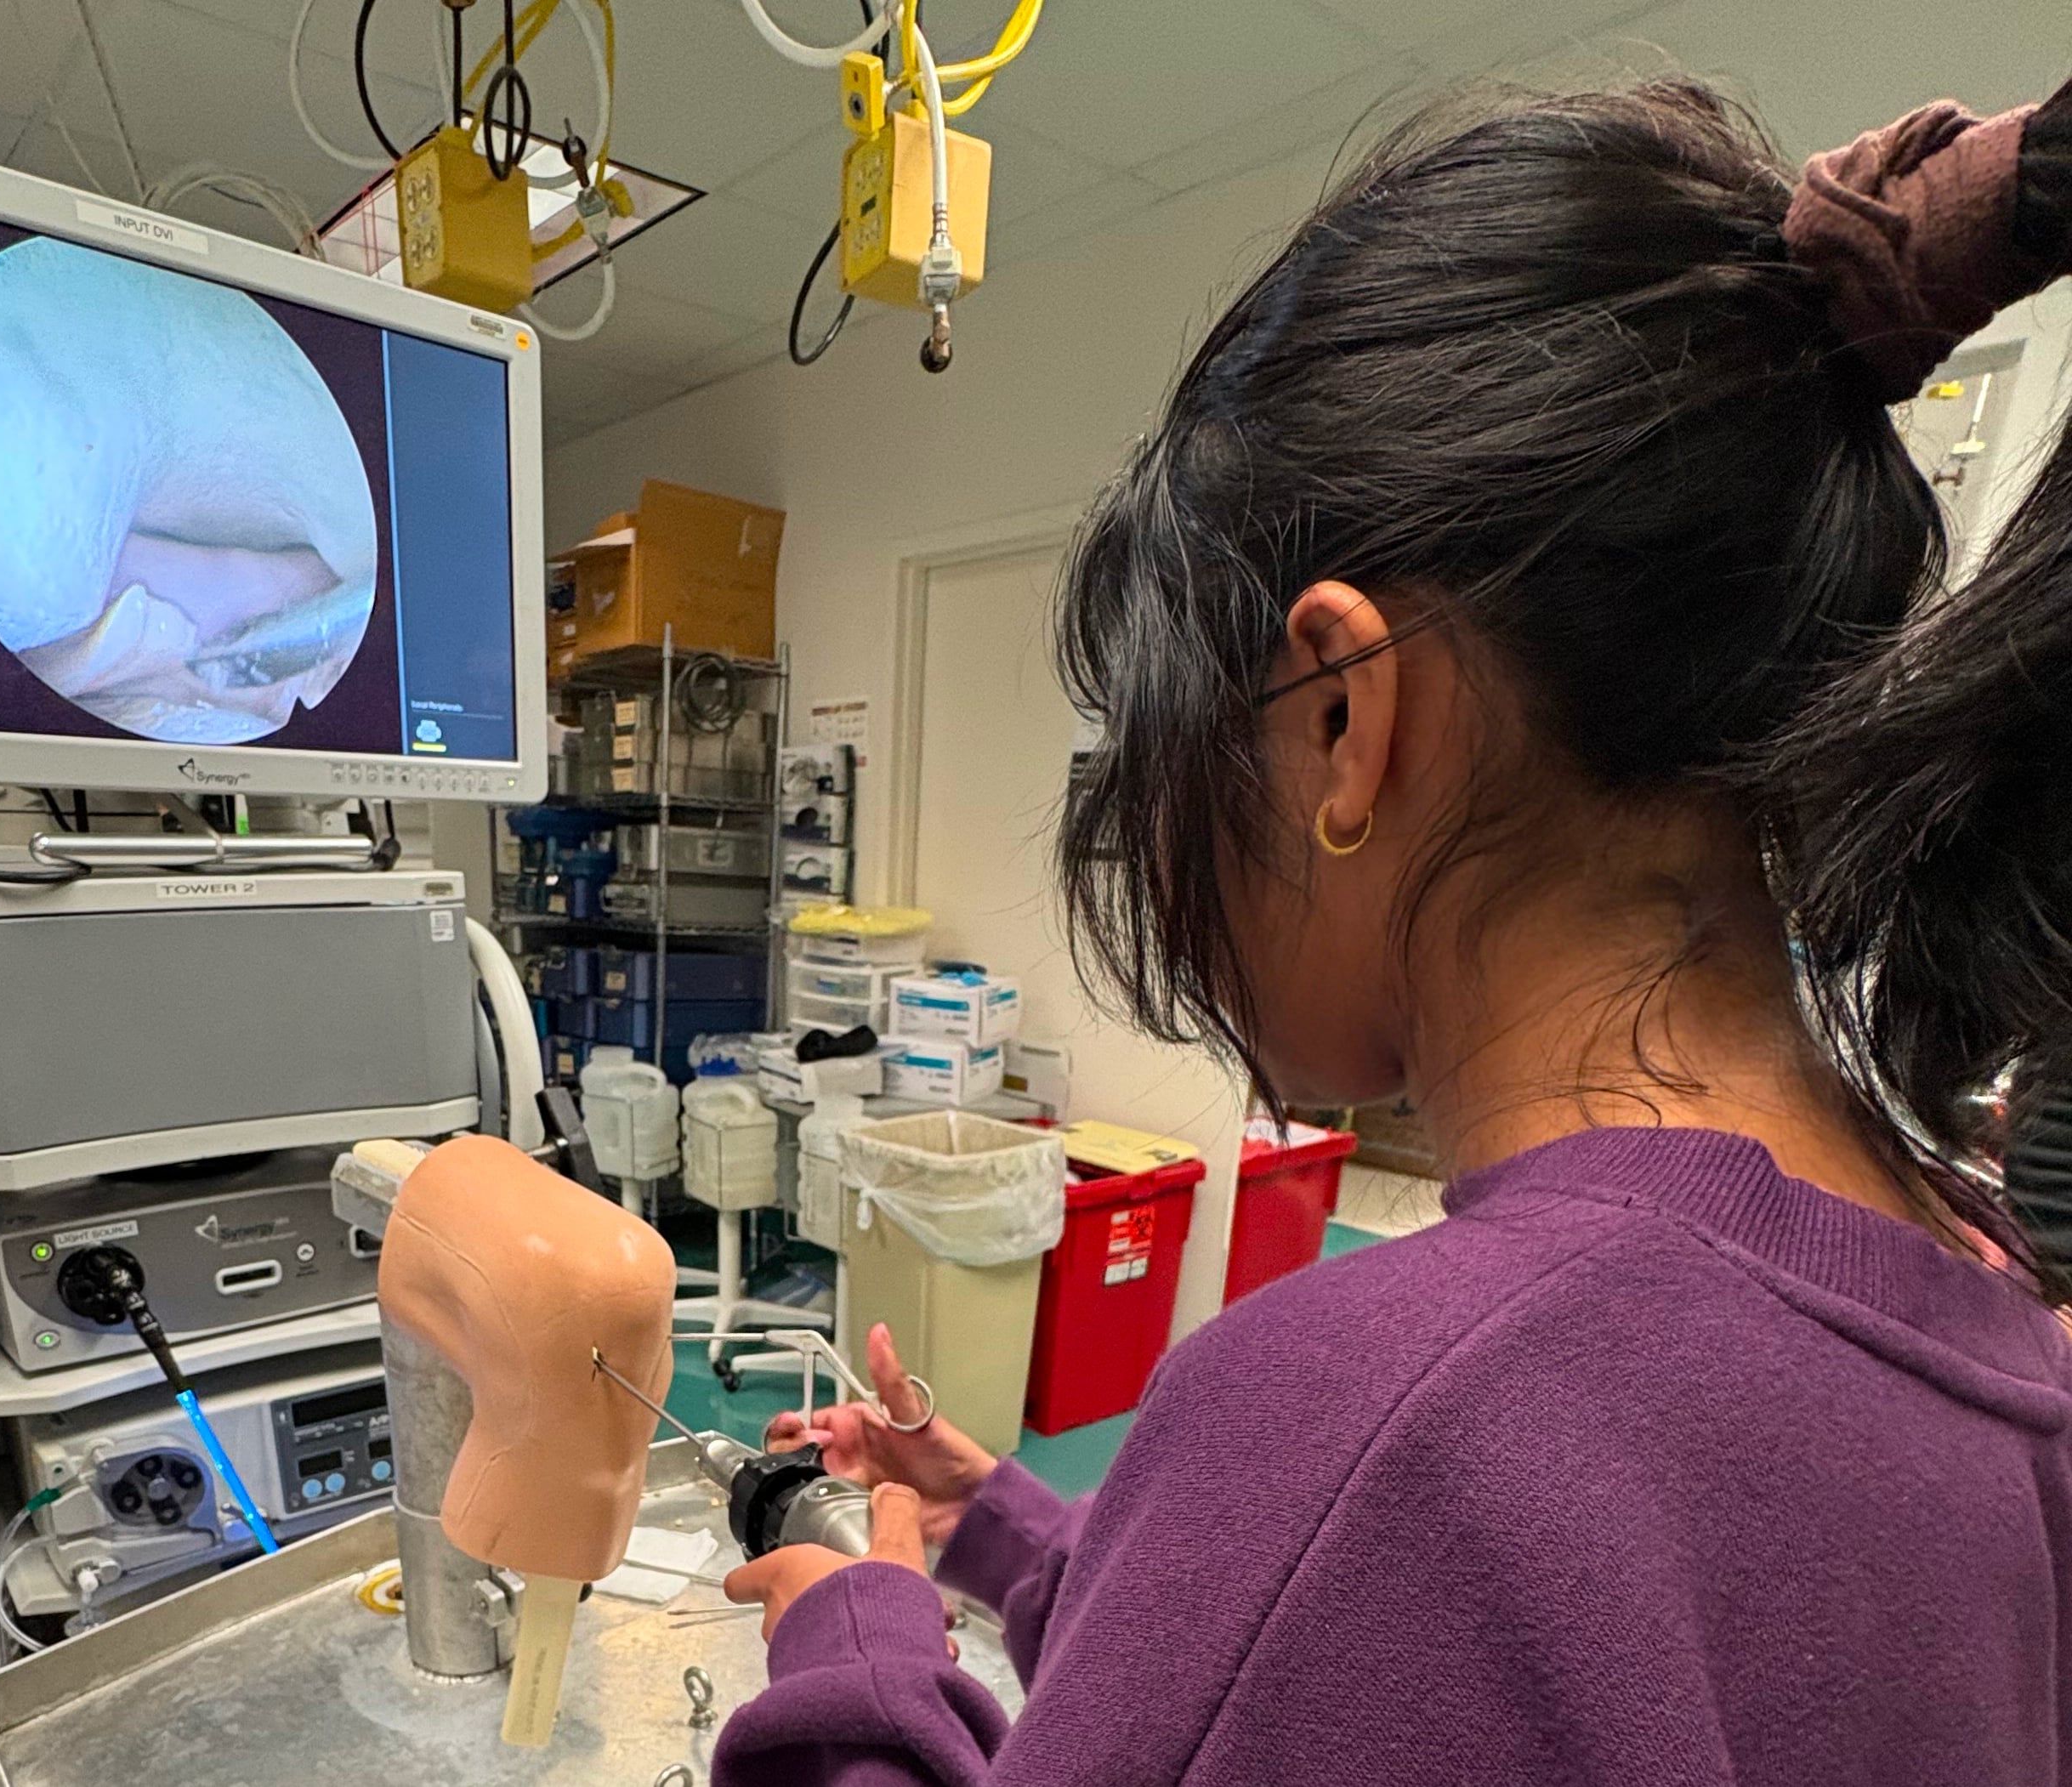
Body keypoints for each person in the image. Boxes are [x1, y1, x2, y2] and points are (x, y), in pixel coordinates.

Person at [716, 75, 2072, 1787]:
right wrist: (1000, 1529)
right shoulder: (1983, 1296)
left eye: (1160, 758)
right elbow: (1351, 1683)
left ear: (1346, 715)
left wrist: (852, 1652)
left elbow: (1365, 1585)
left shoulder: (1389, 1414)